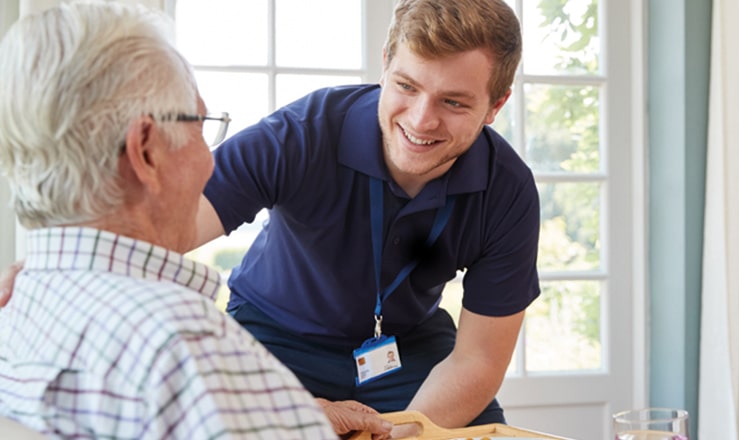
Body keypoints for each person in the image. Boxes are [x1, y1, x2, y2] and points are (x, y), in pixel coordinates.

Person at [0, 2, 392, 439]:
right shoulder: (187, 348)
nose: (210, 161)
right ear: (146, 150)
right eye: (200, 124)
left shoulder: (15, 308)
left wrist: (279, 413)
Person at [192, 0, 540, 431]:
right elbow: (148, 234)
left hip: (406, 348)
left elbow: (478, 359)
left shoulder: (508, 189)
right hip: (272, 337)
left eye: (453, 102)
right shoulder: (300, 135)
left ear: (496, 105)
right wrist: (278, 411)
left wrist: (404, 433)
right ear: (385, 65)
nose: (421, 120)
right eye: (407, 86)